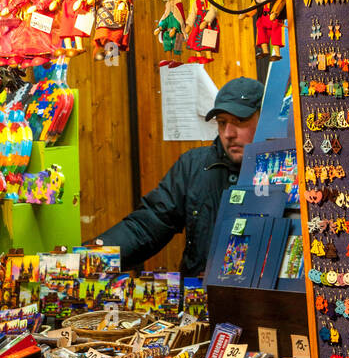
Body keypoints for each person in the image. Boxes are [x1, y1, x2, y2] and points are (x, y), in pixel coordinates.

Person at [93, 77, 263, 276]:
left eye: (239, 121)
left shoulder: (287, 169)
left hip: (268, 301)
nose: (228, 133)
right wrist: (96, 256)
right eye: (222, 122)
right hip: (201, 300)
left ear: (264, 119)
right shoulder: (193, 166)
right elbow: (148, 224)